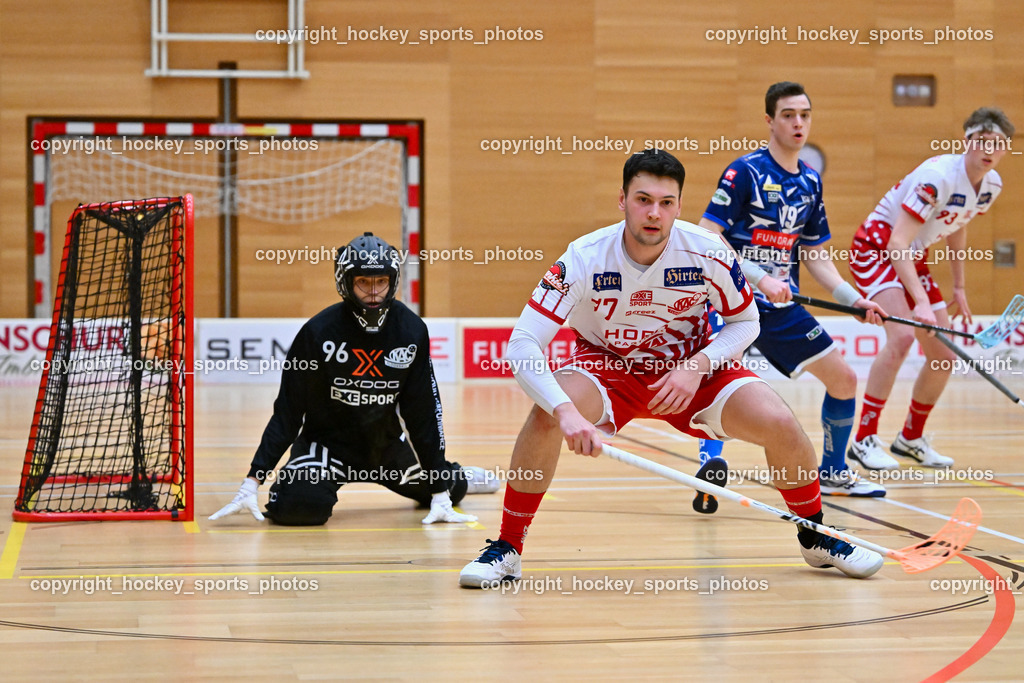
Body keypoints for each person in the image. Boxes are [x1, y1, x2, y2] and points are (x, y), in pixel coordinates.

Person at [459, 149, 884, 587]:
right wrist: (565, 412)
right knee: (545, 416)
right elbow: (523, 344)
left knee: (780, 422)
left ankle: (815, 536)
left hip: (692, 370)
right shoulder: (584, 258)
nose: (654, 213)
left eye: (666, 203)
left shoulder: (708, 252)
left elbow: (746, 322)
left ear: (679, 207)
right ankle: (508, 547)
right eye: (643, 200)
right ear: (621, 200)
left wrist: (696, 366)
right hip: (608, 369)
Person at [209, 232, 497, 526]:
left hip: (386, 449)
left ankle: (459, 477)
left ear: (393, 282)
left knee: (448, 487)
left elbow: (424, 413)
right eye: (363, 282)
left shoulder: (411, 331)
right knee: (298, 508)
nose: (373, 292)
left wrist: (439, 493)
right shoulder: (318, 333)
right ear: (345, 283)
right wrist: (253, 480)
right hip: (326, 448)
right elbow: (288, 412)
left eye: (381, 282)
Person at [694, 81, 888, 504]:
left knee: (843, 378)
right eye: (788, 115)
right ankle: (710, 463)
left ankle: (834, 470)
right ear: (769, 121)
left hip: (780, 309)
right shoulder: (744, 172)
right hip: (732, 301)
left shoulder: (810, 183)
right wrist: (758, 279)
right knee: (720, 375)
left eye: (804, 114)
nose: (798, 123)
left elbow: (816, 256)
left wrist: (853, 299)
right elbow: (709, 235)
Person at [847, 107, 1014, 469]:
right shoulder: (936, 177)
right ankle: (863, 439)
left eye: (999, 144)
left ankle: (910, 438)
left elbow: (958, 223)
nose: (989, 150)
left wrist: (960, 286)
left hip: (910, 256)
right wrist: (921, 302)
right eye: (982, 141)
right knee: (902, 337)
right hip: (876, 249)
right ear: (967, 141)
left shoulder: (991, 185)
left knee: (944, 356)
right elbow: (896, 243)